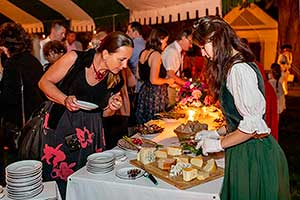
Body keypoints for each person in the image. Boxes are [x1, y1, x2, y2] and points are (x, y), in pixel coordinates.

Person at [193, 16, 290, 199]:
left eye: (203, 47)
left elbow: (252, 126)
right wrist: (217, 133)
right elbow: (239, 119)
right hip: (243, 148)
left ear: (216, 40)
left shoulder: (239, 70)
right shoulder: (233, 66)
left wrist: (218, 144)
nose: (203, 54)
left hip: (253, 153)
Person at [38, 31, 133, 198]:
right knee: (60, 179)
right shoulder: (75, 59)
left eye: (127, 60)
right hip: (62, 127)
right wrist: (64, 99)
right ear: (105, 53)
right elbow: (44, 82)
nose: (125, 66)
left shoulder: (115, 78)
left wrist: (112, 106)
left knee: (88, 181)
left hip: (92, 133)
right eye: (121, 59)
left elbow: (104, 114)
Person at [0, 22, 44, 150]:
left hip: (21, 126)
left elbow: (9, 99)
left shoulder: (12, 64)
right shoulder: (32, 60)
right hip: (36, 122)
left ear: (4, 45)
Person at [136, 28, 174, 124]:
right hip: (156, 95)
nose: (166, 44)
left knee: (144, 124)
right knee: (155, 123)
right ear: (160, 40)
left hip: (144, 92)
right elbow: (154, 80)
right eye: (165, 41)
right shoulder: (156, 55)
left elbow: (138, 75)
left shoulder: (143, 52)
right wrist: (167, 81)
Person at [162, 28, 193, 107]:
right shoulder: (172, 51)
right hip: (169, 89)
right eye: (190, 42)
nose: (191, 45)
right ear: (183, 38)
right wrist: (189, 85)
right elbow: (170, 74)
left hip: (173, 88)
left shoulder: (177, 50)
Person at [126, 21, 146, 125]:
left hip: (136, 82)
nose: (126, 33)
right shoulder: (146, 43)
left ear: (135, 32)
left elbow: (128, 63)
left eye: (129, 31)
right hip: (145, 84)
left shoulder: (133, 45)